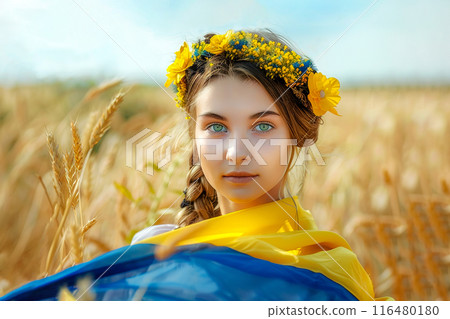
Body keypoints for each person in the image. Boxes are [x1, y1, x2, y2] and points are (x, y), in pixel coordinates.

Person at [0, 29, 394, 301]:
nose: (236, 152)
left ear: (299, 135)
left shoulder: (328, 269)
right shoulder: (153, 251)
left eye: (262, 125)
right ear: (194, 134)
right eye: (216, 126)